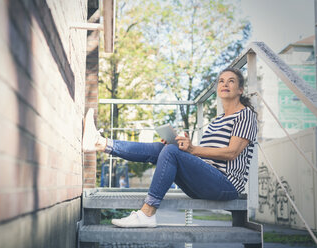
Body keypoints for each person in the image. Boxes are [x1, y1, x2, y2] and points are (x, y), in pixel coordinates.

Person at [82, 68, 257, 228]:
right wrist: (183, 146)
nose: (225, 84)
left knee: (171, 152)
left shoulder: (245, 115)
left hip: (226, 185)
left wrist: (192, 150)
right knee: (162, 148)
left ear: (240, 90)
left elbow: (232, 153)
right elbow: (207, 157)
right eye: (221, 81)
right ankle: (101, 143)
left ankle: (148, 212)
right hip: (207, 182)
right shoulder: (217, 120)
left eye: (231, 81)